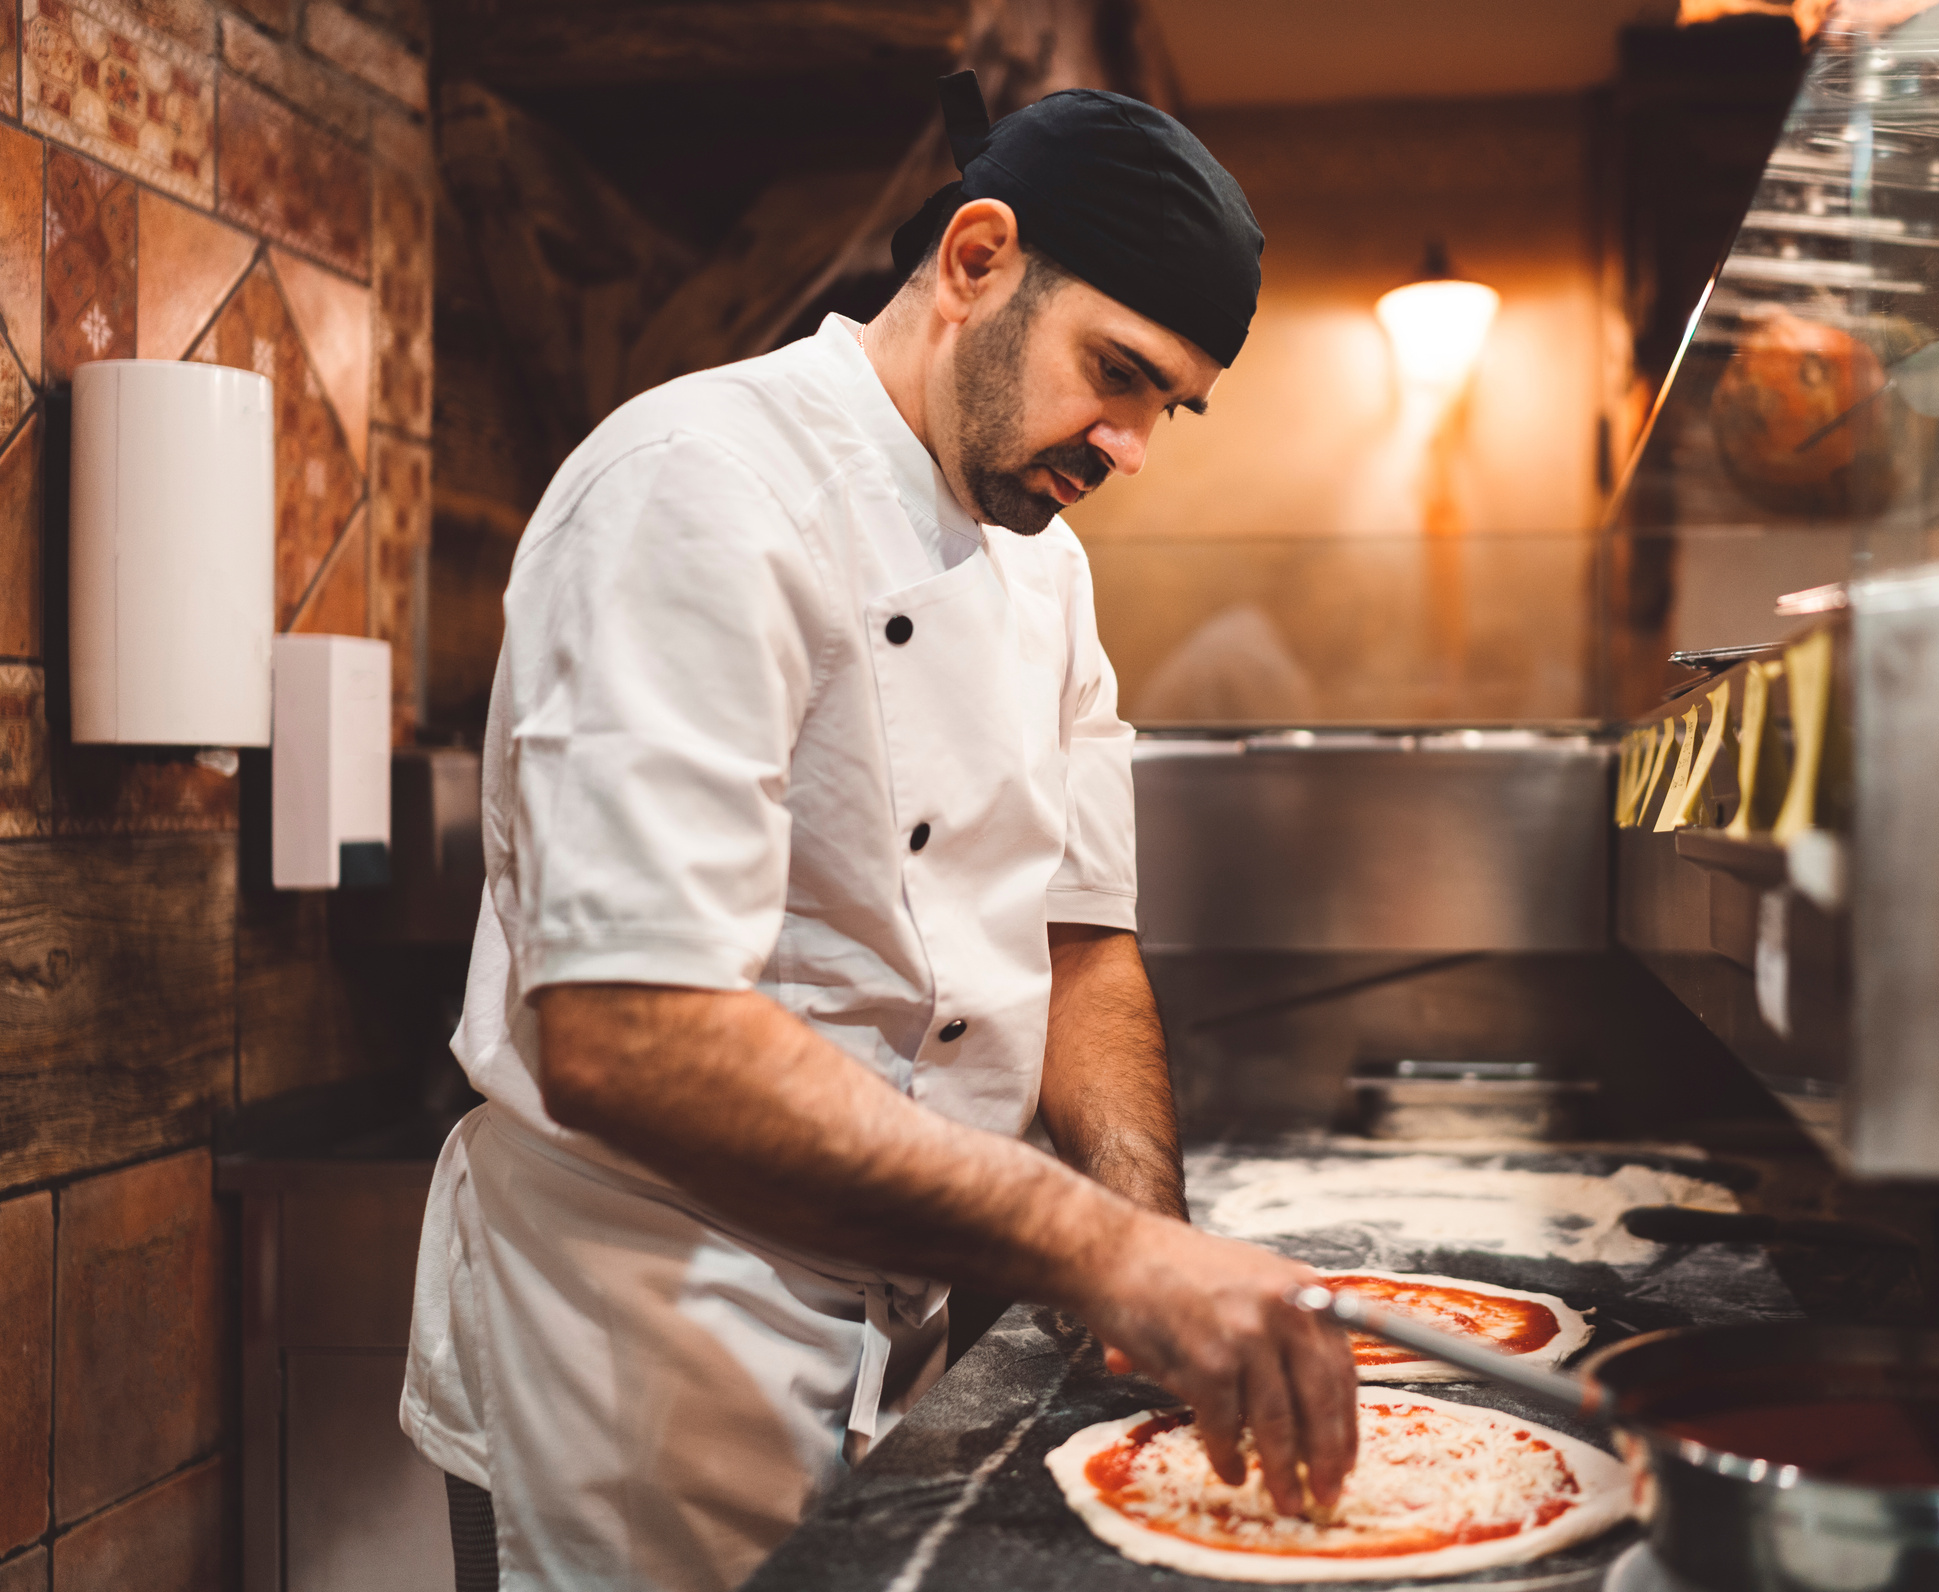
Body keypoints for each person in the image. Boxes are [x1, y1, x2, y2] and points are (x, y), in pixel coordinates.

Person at [399, 71, 1358, 1592]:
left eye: (1165, 404)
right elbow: (630, 1031)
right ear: (975, 260)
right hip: (643, 1336)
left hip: (899, 1322)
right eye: (1115, 372)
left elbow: (1080, 943)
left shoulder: (1042, 575)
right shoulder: (696, 488)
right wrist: (1104, 1255)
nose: (1131, 448)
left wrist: (1145, 1240)